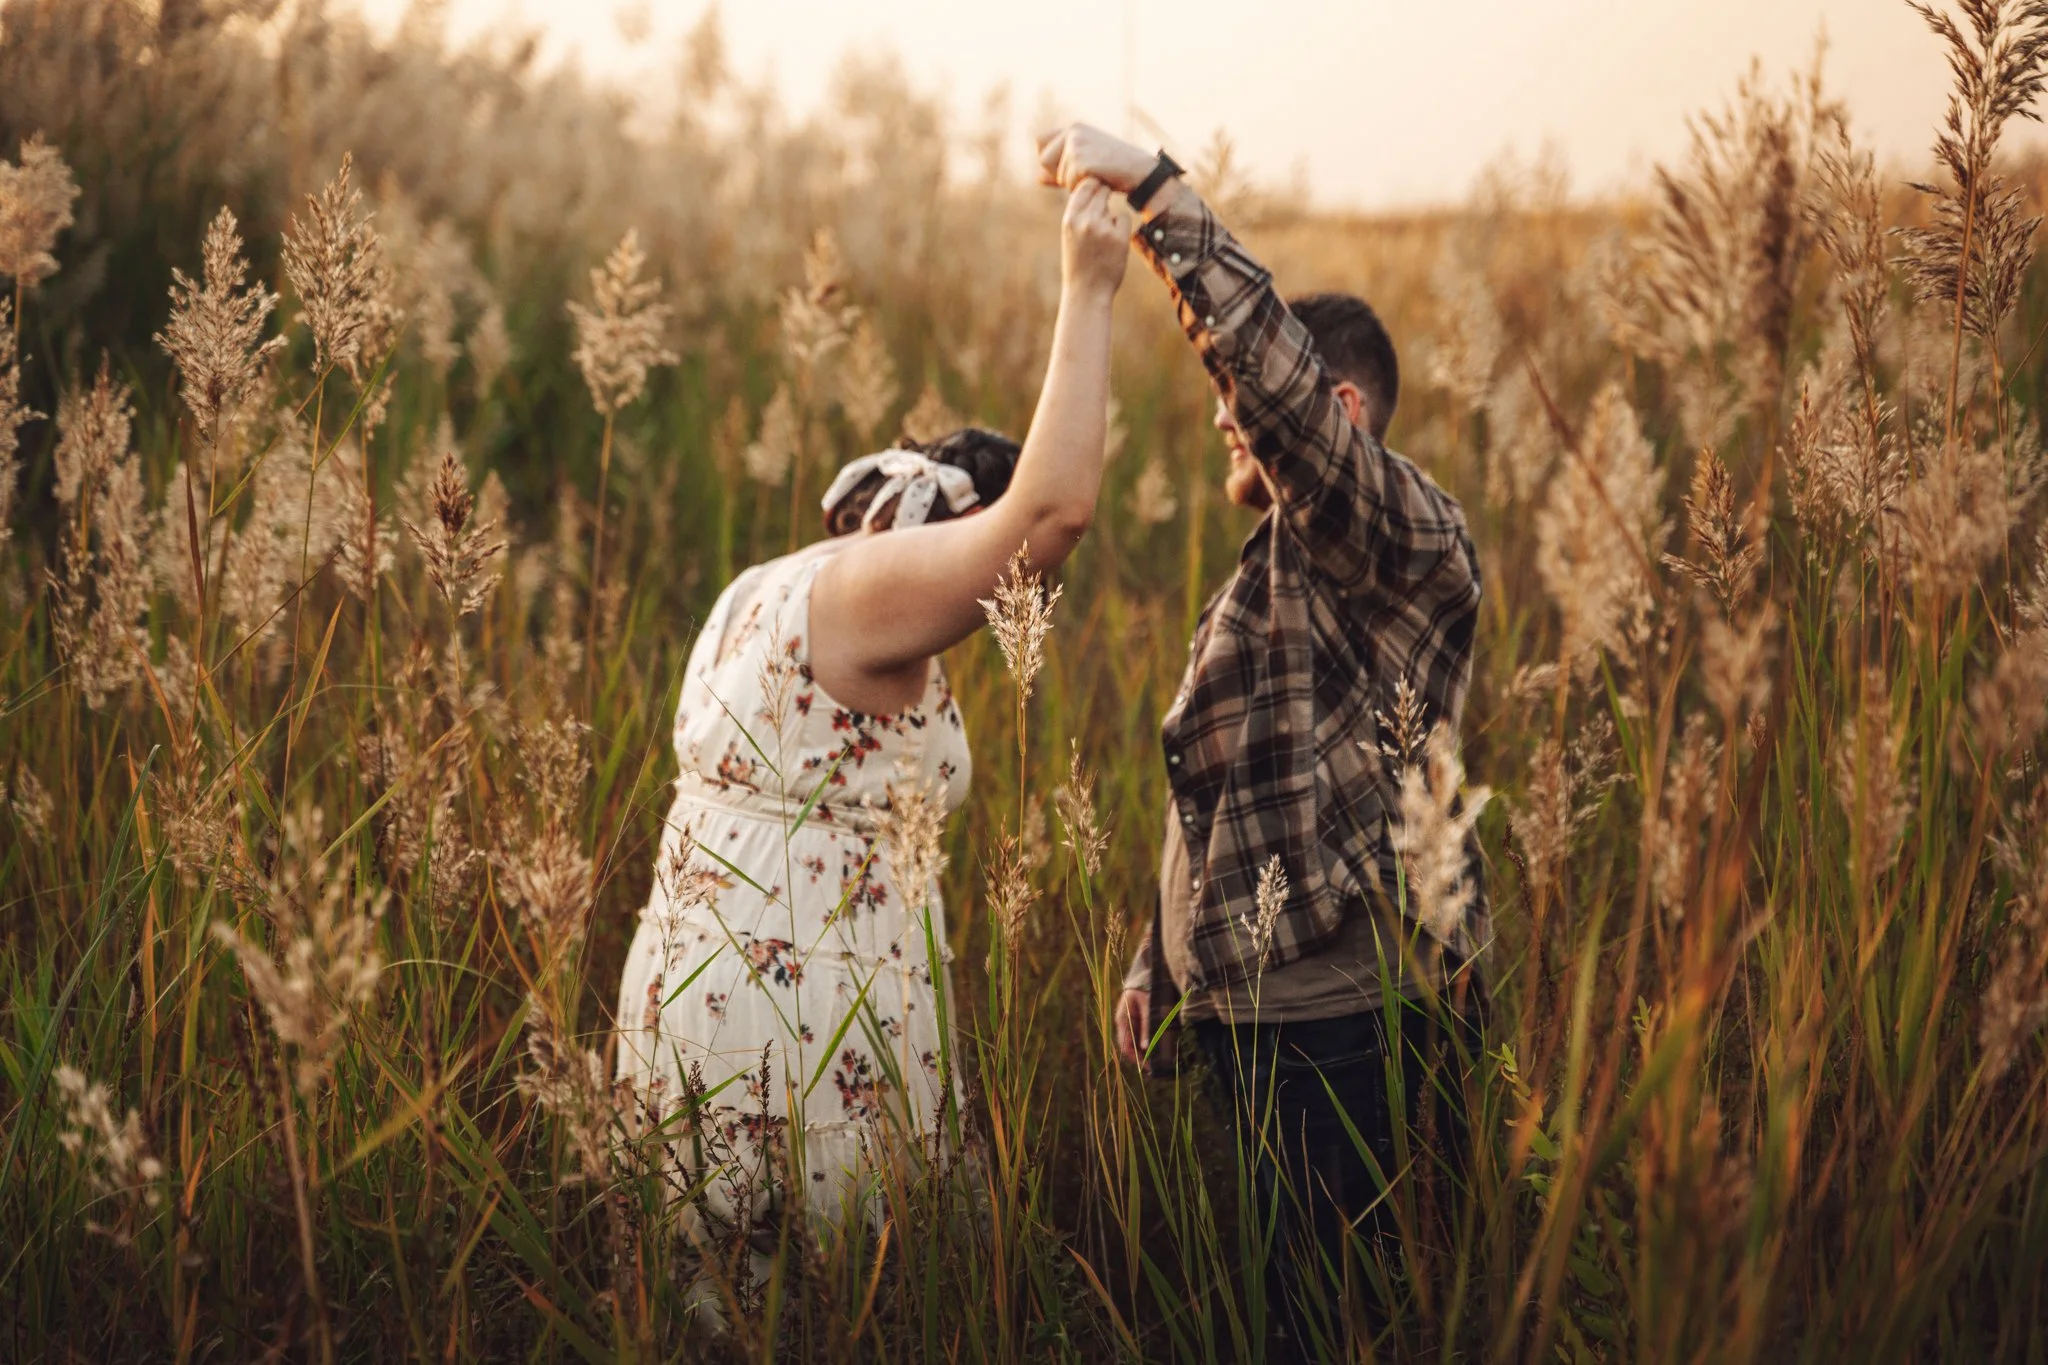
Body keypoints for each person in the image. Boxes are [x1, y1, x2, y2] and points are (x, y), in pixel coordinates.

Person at [613, 178, 1130, 1304]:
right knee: (817, 1309)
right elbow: (1050, 518)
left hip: (706, 987)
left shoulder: (775, 581)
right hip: (791, 1025)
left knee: (716, 1304)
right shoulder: (874, 593)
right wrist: (1087, 285)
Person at [1037, 125, 1488, 1355]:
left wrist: (1154, 189)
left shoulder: (1402, 541)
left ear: (1332, 412)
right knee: (1268, 1318)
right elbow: (1232, 790)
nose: (1225, 425)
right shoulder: (1283, 565)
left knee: (1329, 1330)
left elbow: (1269, 378)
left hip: (1349, 1031)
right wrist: (1156, 959)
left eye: (1241, 407)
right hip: (1255, 1020)